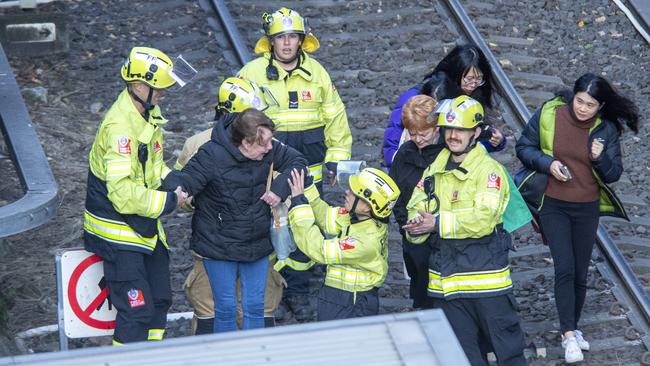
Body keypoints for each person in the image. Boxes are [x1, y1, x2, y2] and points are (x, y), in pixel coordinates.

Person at [238, 7, 353, 321]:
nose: (287, 44)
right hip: (265, 174)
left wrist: (336, 160)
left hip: (308, 174)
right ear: (270, 41)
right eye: (280, 38)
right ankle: (266, 292)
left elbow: (336, 120)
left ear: (302, 40)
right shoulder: (250, 74)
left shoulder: (318, 73)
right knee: (265, 231)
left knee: (303, 231)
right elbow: (234, 120)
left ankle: (297, 292)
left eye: (292, 37)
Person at [515, 73, 638, 363]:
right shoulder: (549, 113)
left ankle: (575, 327)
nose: (582, 109)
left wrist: (599, 158)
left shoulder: (605, 129)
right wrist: (550, 163)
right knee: (565, 268)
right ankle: (568, 334)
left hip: (586, 207)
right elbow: (524, 147)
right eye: (580, 101)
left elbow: (613, 174)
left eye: (590, 105)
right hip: (553, 204)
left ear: (600, 106)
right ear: (573, 96)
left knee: (580, 273)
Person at [404, 95, 526, 365]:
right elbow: (416, 206)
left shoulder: (489, 172)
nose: (453, 136)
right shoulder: (433, 171)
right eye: (449, 129)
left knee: (510, 357)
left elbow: (483, 219)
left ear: (476, 133)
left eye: (461, 129)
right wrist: (416, 227)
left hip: (487, 285)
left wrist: (436, 223)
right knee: (462, 359)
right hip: (447, 287)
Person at [162, 108, 307, 332]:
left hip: (256, 244)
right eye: (264, 144)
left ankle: (255, 357)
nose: (270, 147)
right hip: (218, 246)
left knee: (255, 307)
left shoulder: (268, 149)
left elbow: (297, 161)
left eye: (270, 142)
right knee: (226, 308)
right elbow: (187, 178)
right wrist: (175, 191)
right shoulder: (211, 154)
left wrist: (280, 189)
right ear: (246, 143)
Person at [83, 47, 189, 345]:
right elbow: (122, 194)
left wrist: (177, 181)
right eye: (160, 88)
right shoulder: (120, 129)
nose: (164, 93)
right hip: (119, 233)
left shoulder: (147, 115)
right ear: (140, 86)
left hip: (142, 228)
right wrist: (169, 201)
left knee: (159, 303)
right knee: (136, 311)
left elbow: (153, 168)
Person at [175, 77, 285, 334]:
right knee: (254, 309)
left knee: (213, 312)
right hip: (244, 242)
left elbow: (183, 197)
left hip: (221, 244)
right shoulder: (202, 145)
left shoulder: (197, 142)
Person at [287, 167, 400, 320]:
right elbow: (325, 215)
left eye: (354, 192)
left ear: (368, 206)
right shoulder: (361, 219)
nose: (347, 192)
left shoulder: (364, 241)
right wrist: (307, 186)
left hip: (349, 304)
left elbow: (319, 250)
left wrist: (298, 205)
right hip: (341, 299)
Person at [383, 44, 506, 168]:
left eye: (478, 79)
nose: (473, 85)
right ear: (454, 74)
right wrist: (398, 168)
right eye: (469, 79)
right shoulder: (415, 98)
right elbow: (392, 142)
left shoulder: (476, 96)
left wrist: (496, 141)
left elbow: (469, 141)